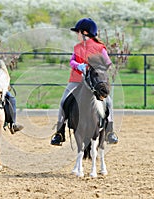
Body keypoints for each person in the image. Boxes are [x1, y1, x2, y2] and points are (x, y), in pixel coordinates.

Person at [50, 18, 118, 146]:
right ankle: (59, 132)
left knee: (108, 101)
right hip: (76, 80)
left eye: (78, 33)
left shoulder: (100, 48)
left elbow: (108, 63)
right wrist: (79, 66)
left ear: (85, 33)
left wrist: (96, 68)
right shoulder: (77, 47)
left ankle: (110, 131)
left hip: (94, 81)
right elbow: (72, 61)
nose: (77, 35)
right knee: (64, 101)